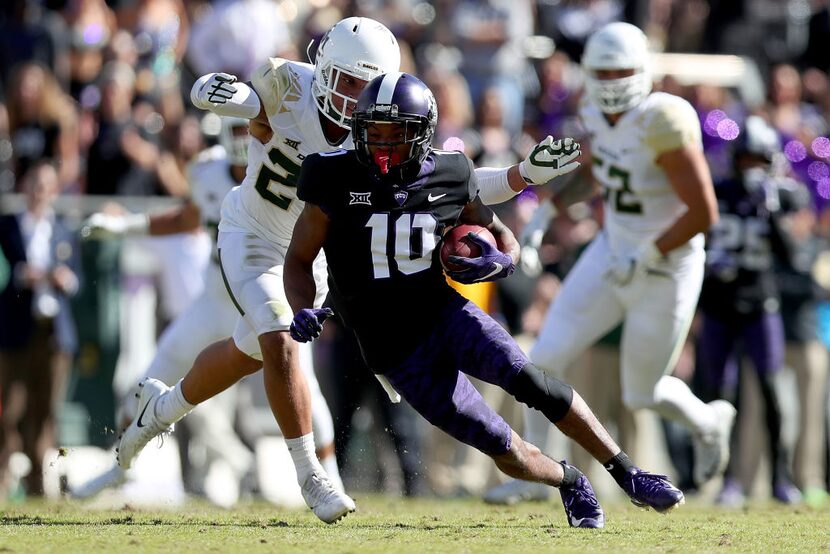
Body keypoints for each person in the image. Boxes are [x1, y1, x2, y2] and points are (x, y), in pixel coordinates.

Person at [113, 16, 584, 523]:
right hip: (254, 235)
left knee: (248, 352)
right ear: (324, 70)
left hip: (312, 252)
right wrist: (230, 97)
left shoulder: (385, 128)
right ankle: (310, 477)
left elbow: (454, 182)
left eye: (367, 84)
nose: (355, 96)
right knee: (277, 336)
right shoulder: (286, 83)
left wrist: (522, 175)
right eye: (348, 81)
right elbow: (214, 93)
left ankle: (157, 412)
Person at [285, 71, 686, 529]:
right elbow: (298, 260)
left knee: (534, 383)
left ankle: (628, 473)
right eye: (373, 133)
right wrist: (302, 307)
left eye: (395, 135)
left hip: (443, 315)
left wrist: (499, 262)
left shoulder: (451, 173)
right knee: (502, 446)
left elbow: (502, 237)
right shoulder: (330, 176)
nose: (382, 145)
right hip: (394, 351)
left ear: (422, 133)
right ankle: (570, 480)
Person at [486, 22, 736, 505]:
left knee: (642, 393)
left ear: (643, 70)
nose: (612, 80)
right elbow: (604, 169)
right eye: (602, 71)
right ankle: (539, 475)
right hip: (611, 250)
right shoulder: (597, 114)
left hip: (668, 267)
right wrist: (548, 211)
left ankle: (709, 420)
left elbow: (703, 211)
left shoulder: (664, 117)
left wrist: (648, 253)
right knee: (543, 358)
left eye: (621, 70)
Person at [76, 117, 343, 505]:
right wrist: (124, 228)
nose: (242, 138)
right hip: (214, 299)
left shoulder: (291, 162)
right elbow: (188, 217)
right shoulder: (208, 171)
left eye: (246, 128)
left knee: (306, 387)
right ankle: (119, 465)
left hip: (265, 296)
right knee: (152, 374)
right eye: (235, 130)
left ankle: (329, 477)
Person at [698, 116, 802, 505]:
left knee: (771, 390)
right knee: (720, 394)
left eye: (760, 161)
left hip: (760, 304)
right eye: (747, 160)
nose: (752, 169)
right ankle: (726, 480)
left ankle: (780, 478)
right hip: (719, 305)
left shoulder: (782, 196)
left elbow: (791, 257)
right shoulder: (718, 191)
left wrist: (771, 209)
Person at [0, 161, 80, 497]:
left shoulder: (63, 229)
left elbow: (76, 281)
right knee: (9, 407)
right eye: (34, 183)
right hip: (17, 328)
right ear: (25, 187)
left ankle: (40, 485)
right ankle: (4, 477)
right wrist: (25, 275)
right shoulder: (8, 226)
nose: (40, 191)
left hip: (53, 331)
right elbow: (11, 271)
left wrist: (61, 279)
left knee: (46, 411)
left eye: (46, 185)